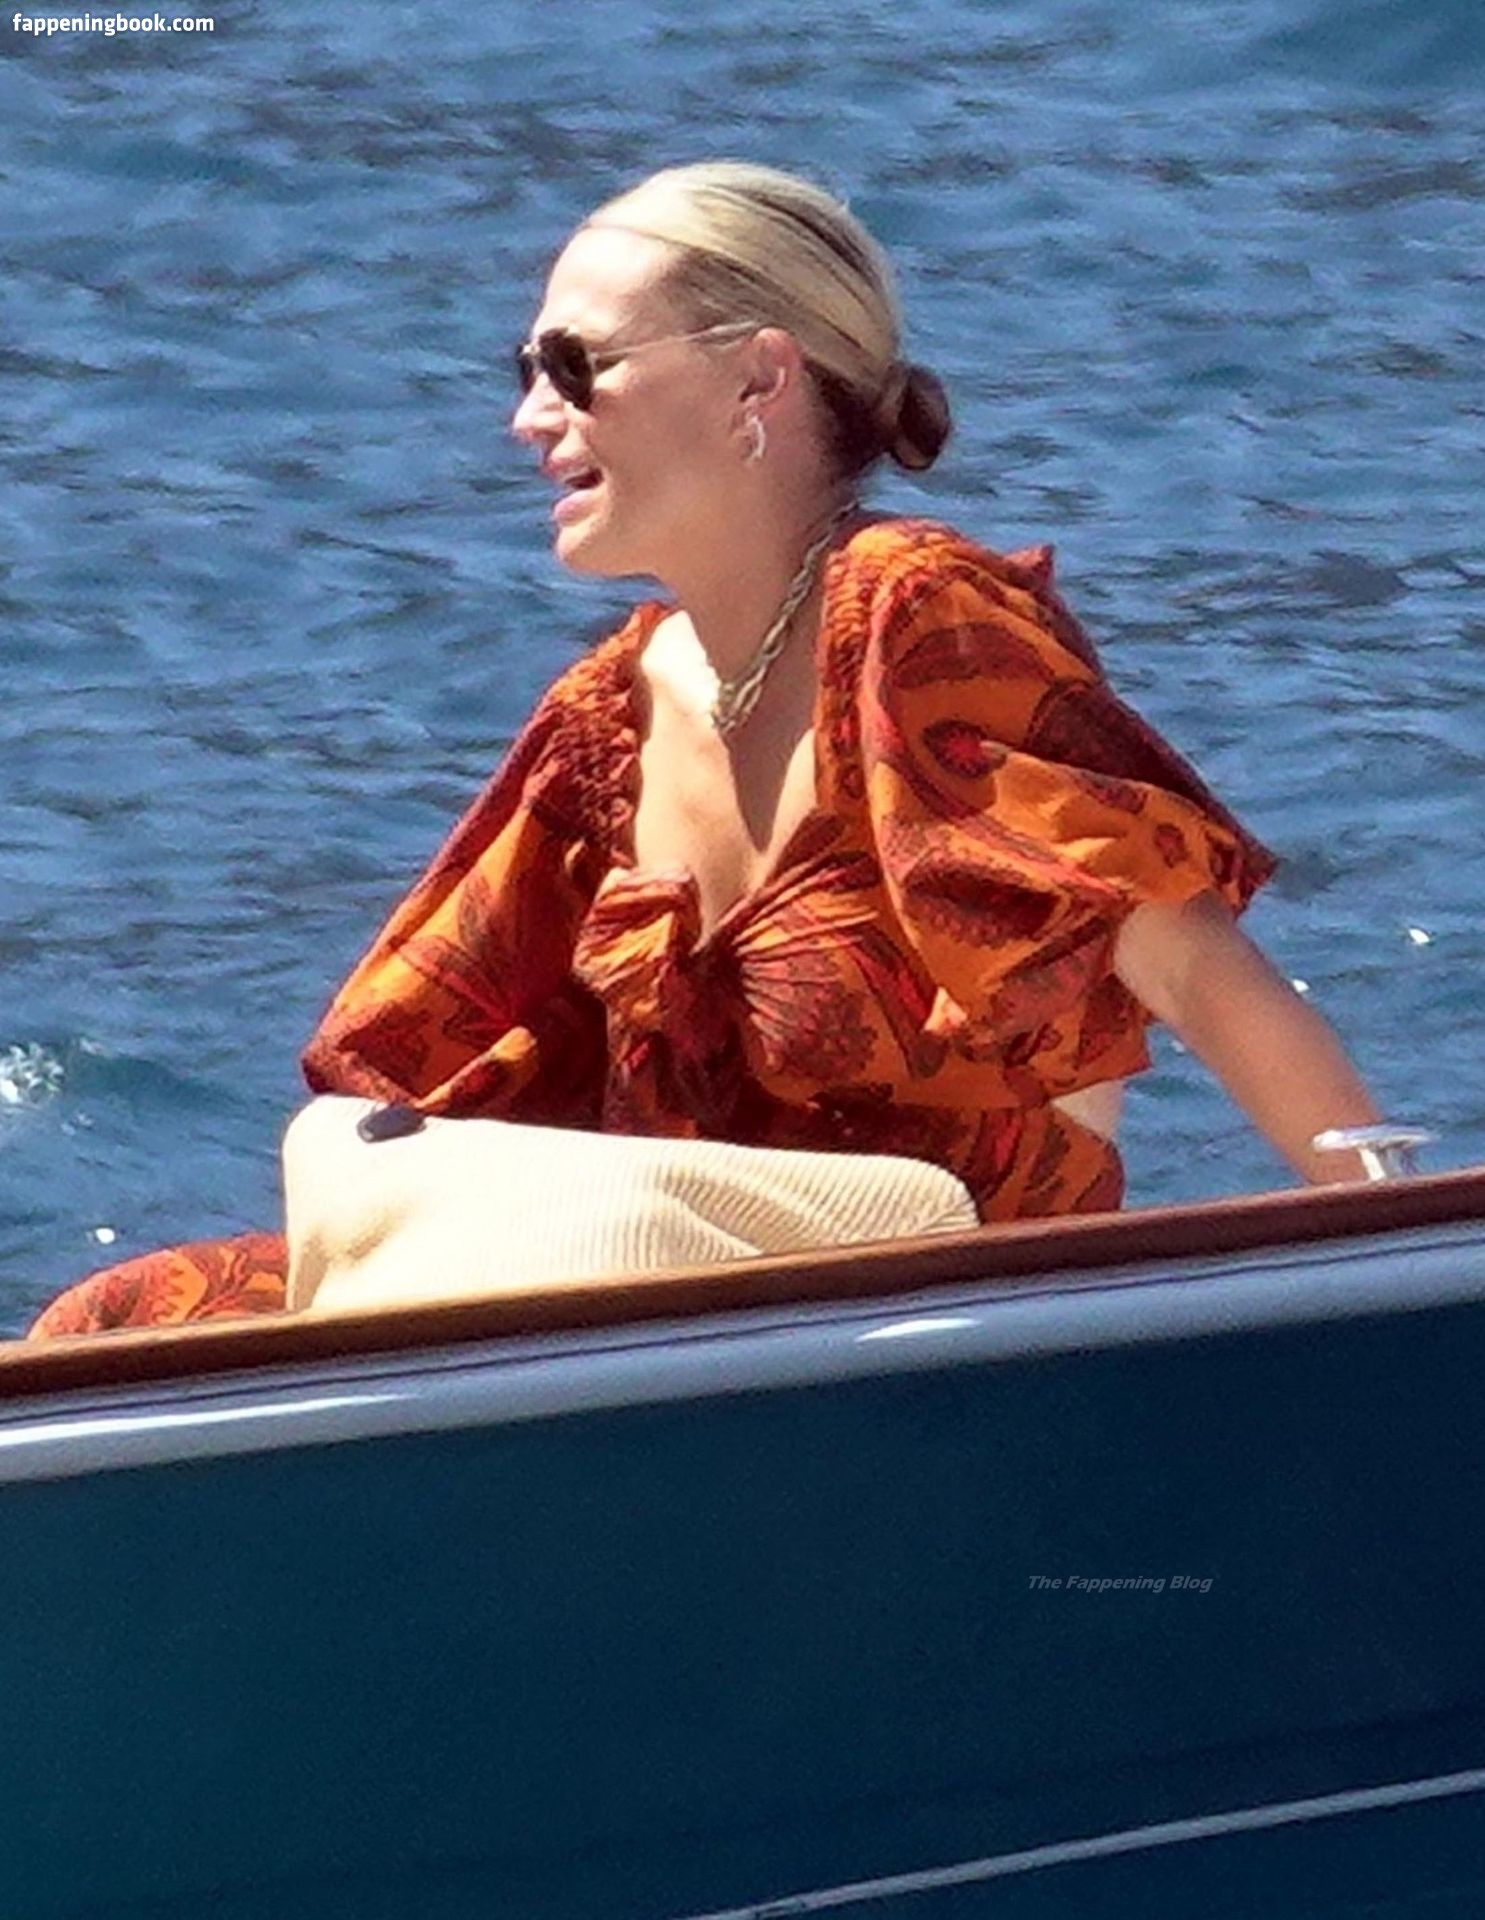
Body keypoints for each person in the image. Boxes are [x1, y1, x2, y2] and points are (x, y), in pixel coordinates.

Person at [28, 160, 1380, 1338]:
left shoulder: (915, 621)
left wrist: (1395, 1263)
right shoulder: (606, 720)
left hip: (928, 1326)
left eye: (577, 367)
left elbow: (1196, 973)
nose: (528, 417)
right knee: (113, 1322)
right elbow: (417, 1086)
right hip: (665, 1318)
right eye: (521, 373)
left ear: (758, 378)